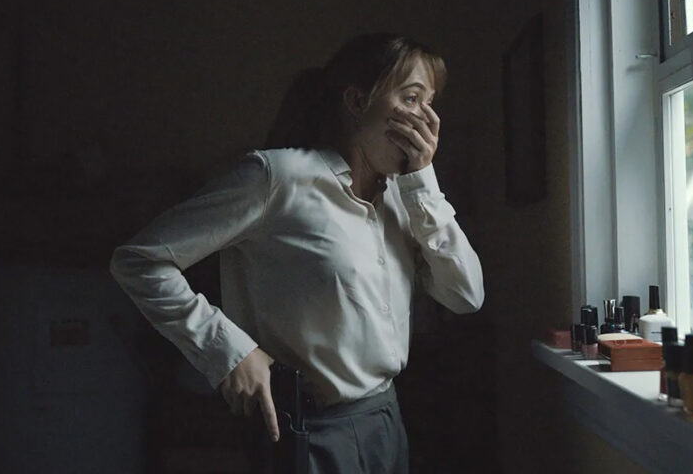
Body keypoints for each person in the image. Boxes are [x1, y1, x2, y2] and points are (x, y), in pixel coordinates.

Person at [110, 33, 484, 473]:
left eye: (430, 103)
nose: (427, 121)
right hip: (311, 432)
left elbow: (466, 295)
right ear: (357, 101)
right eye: (412, 98)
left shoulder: (407, 199)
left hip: (387, 421)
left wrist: (423, 182)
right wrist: (229, 350)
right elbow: (140, 260)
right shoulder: (278, 178)